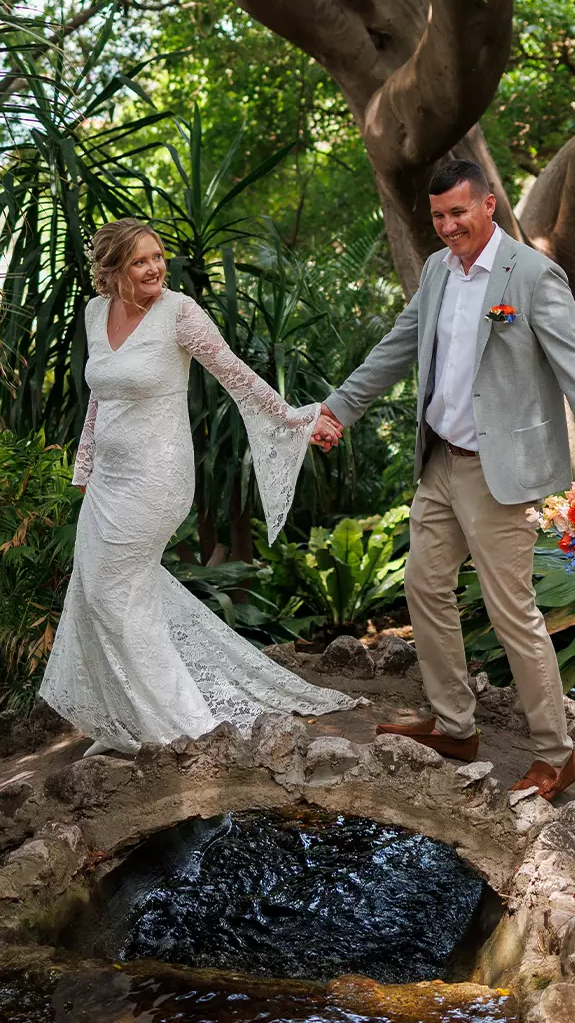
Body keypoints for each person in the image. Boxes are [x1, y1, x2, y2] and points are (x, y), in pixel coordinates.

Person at [320, 160, 575, 801]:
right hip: (439, 461)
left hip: (499, 472)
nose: (447, 226)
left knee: (511, 610)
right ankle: (455, 724)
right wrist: (339, 409)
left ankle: (555, 752)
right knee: (423, 585)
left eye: (458, 213)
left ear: (488, 204)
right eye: (437, 217)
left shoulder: (534, 275)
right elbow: (397, 347)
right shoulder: (434, 272)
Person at [39, 219, 353, 757]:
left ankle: (184, 730)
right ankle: (128, 723)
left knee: (114, 594)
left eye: (158, 256)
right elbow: (98, 399)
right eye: (141, 261)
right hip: (107, 483)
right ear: (112, 270)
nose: (156, 267)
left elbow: (240, 378)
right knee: (96, 592)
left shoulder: (179, 313)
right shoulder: (96, 314)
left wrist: (301, 420)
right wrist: (83, 473)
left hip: (157, 478)